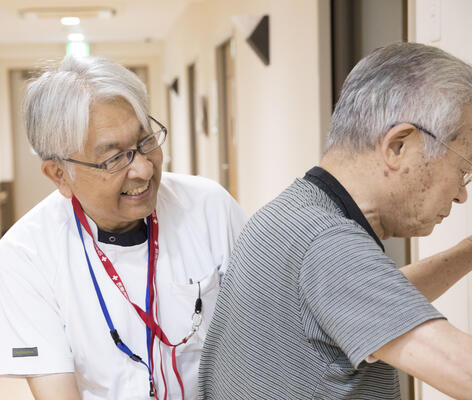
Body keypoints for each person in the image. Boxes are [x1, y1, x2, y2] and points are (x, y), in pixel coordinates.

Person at [198, 42, 472, 399]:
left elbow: (372, 300)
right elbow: (463, 370)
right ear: (398, 146)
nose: (461, 194)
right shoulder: (327, 242)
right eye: (463, 170)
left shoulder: (290, 215)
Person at [0, 55, 246, 400]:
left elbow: (259, 343)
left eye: (145, 143)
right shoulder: (27, 252)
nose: (142, 170)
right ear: (59, 174)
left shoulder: (209, 207)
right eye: (114, 158)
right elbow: (56, 391)